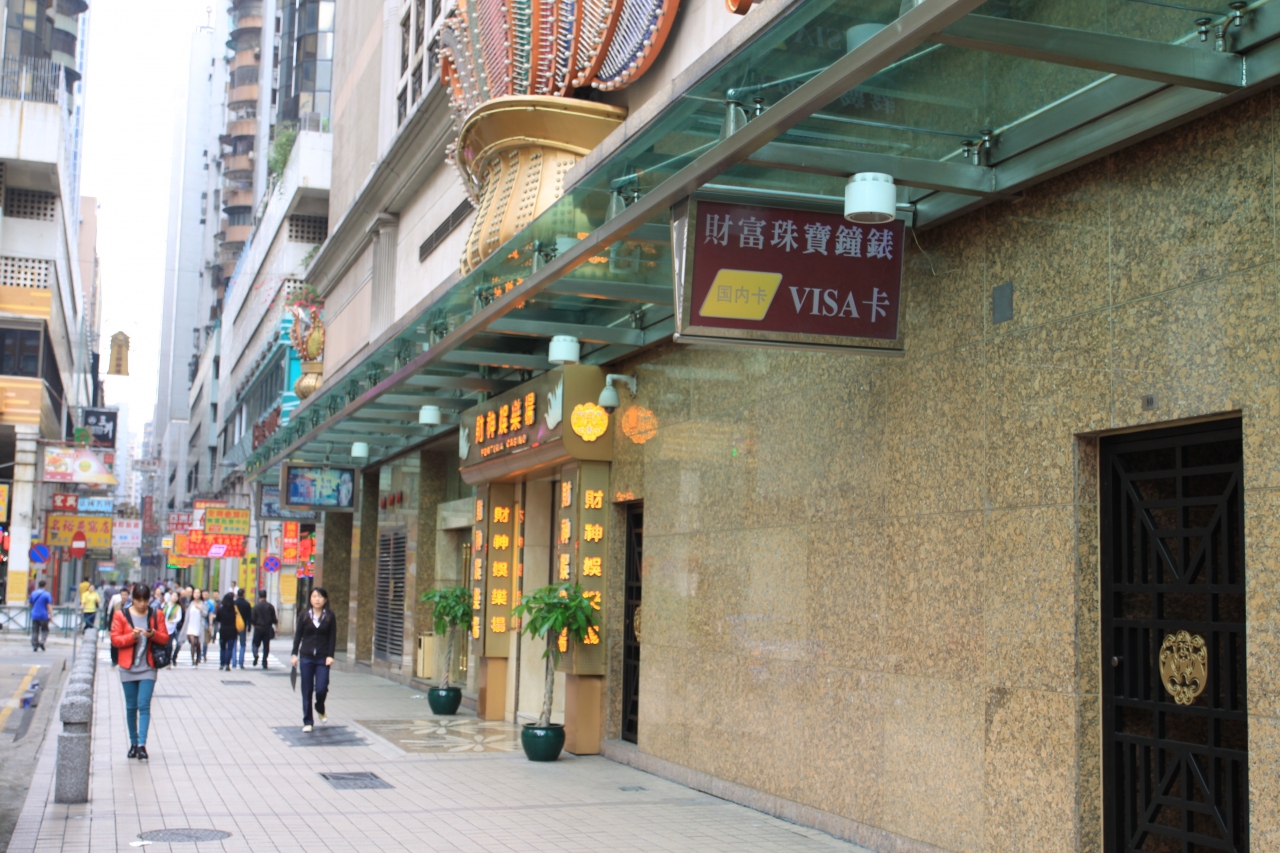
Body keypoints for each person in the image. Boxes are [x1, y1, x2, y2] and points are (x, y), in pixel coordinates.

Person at [110, 584, 169, 760]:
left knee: (143, 705)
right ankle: (133, 743)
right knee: (131, 706)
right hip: (127, 668)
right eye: (138, 600)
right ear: (132, 599)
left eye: (145, 600)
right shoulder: (121, 615)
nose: (142, 604)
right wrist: (132, 637)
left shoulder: (156, 614)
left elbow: (165, 638)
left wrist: (153, 635)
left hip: (148, 667)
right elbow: (115, 640)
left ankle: (142, 745)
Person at [291, 587, 336, 732]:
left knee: (322, 688)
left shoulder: (330, 616)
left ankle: (319, 707)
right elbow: (298, 636)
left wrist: (330, 655)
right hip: (306, 657)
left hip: (323, 657)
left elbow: (332, 637)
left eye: (320, 596)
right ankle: (308, 721)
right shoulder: (304, 616)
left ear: (325, 599)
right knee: (307, 689)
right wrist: (294, 654)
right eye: (314, 596)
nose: (317, 599)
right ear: (310, 599)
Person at [250, 590, 277, 669]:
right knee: (266, 646)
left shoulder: (256, 607)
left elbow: (252, 619)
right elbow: (274, 619)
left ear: (259, 597)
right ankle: (264, 661)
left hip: (258, 628)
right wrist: (276, 627)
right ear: (266, 596)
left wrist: (255, 625)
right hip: (267, 628)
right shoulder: (270, 606)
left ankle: (255, 654)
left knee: (255, 643)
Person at [105, 588, 130, 666]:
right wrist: (109, 628)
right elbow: (111, 616)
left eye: (125, 595)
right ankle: (114, 660)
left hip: (126, 628)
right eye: (122, 595)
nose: (124, 596)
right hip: (116, 627)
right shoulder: (116, 605)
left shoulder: (130, 606)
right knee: (114, 644)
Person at [214, 593, 239, 671]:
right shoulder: (234, 610)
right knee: (230, 648)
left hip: (223, 630)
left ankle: (222, 664)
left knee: (222, 648)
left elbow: (217, 619)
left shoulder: (221, 609)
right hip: (232, 630)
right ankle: (227, 664)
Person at [185, 589, 206, 666]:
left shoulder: (203, 604)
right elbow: (187, 616)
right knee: (193, 643)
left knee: (198, 643)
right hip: (191, 625)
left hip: (199, 625)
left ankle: (198, 658)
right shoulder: (191, 604)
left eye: (198, 593)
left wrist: (200, 609)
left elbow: (205, 614)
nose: (196, 594)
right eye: (195, 593)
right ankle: (193, 659)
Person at [28, 580, 51, 651]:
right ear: (45, 585)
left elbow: (30, 603)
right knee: (45, 630)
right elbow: (48, 605)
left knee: (35, 630)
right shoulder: (47, 594)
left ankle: (35, 645)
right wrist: (51, 615)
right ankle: (42, 641)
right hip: (44, 615)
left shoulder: (33, 593)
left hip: (35, 614)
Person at [233, 588, 252, 669]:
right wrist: (249, 628)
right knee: (242, 644)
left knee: (234, 643)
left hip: (234, 625)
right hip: (242, 626)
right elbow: (249, 617)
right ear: (243, 594)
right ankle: (241, 662)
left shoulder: (234, 603)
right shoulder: (247, 604)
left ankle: (234, 662)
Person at [202, 590, 215, 662]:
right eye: (203, 594)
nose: (205, 596)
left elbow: (211, 615)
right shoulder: (198, 602)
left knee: (205, 641)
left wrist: (210, 624)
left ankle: (204, 654)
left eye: (206, 595)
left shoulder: (210, 604)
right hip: (198, 624)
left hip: (206, 624)